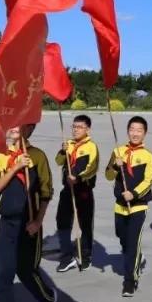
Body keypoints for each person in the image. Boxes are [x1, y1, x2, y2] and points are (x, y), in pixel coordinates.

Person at [0, 124, 57, 302]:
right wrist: (16, 166)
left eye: (18, 125)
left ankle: (49, 299)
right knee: (0, 274)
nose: (12, 127)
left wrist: (37, 221)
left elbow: (46, 193)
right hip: (7, 224)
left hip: (29, 225)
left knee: (26, 271)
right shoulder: (3, 155)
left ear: (28, 129)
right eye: (10, 124)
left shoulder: (37, 156)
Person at [105, 116, 152, 298]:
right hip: (120, 206)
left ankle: (130, 280)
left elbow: (148, 181)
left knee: (133, 244)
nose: (135, 133)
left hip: (138, 207)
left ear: (145, 133)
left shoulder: (148, 156)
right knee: (123, 239)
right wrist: (115, 166)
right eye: (132, 129)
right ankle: (134, 258)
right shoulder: (118, 151)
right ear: (128, 131)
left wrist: (133, 194)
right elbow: (108, 176)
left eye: (139, 130)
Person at [54, 114, 98, 272]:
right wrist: (62, 150)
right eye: (74, 126)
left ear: (88, 129)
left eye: (79, 127)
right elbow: (58, 161)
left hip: (83, 190)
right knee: (62, 221)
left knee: (84, 224)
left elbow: (92, 167)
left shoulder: (91, 146)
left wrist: (78, 178)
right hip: (67, 189)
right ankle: (67, 257)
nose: (75, 130)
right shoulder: (69, 144)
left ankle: (86, 256)